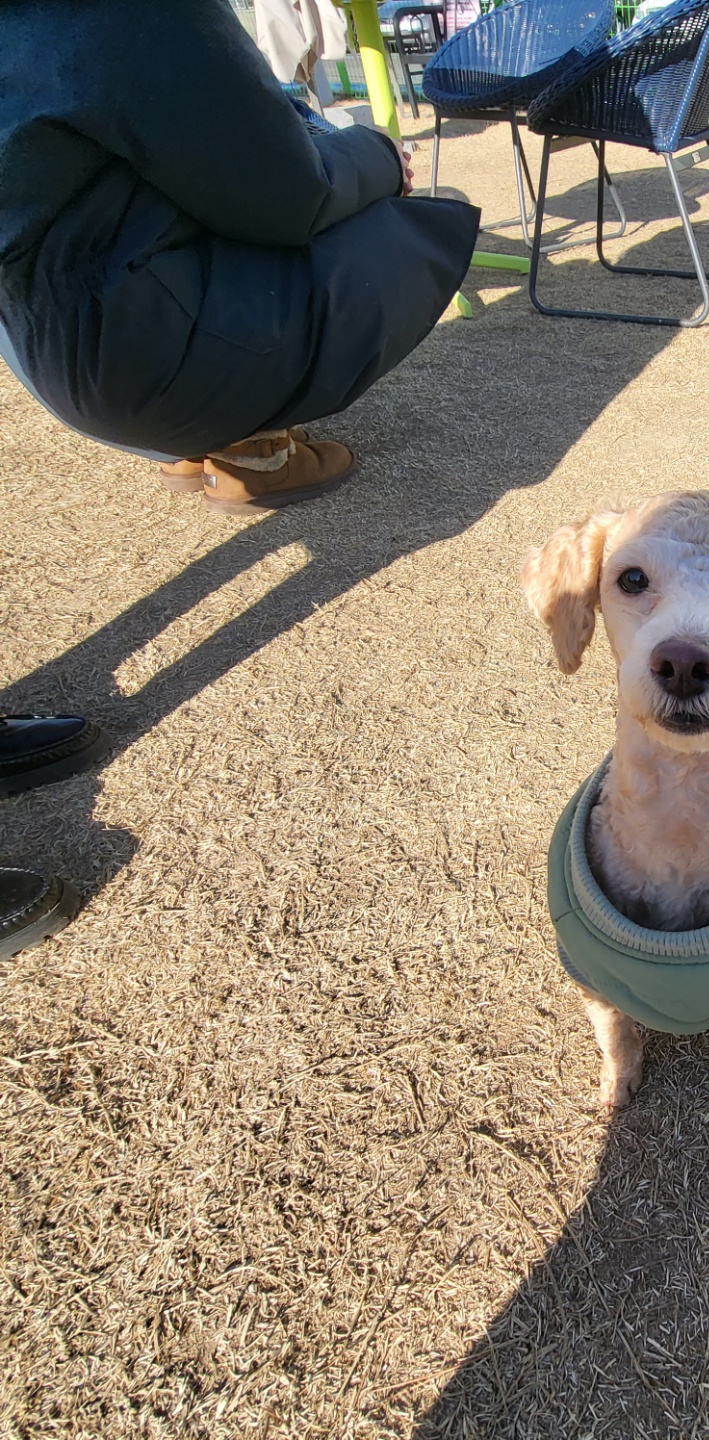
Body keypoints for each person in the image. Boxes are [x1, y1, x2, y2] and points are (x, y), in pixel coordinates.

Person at [0, 0, 481, 957]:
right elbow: (285, 190)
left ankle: (217, 434)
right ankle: (245, 435)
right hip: (131, 351)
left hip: (30, 330)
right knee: (406, 225)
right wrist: (382, 157)